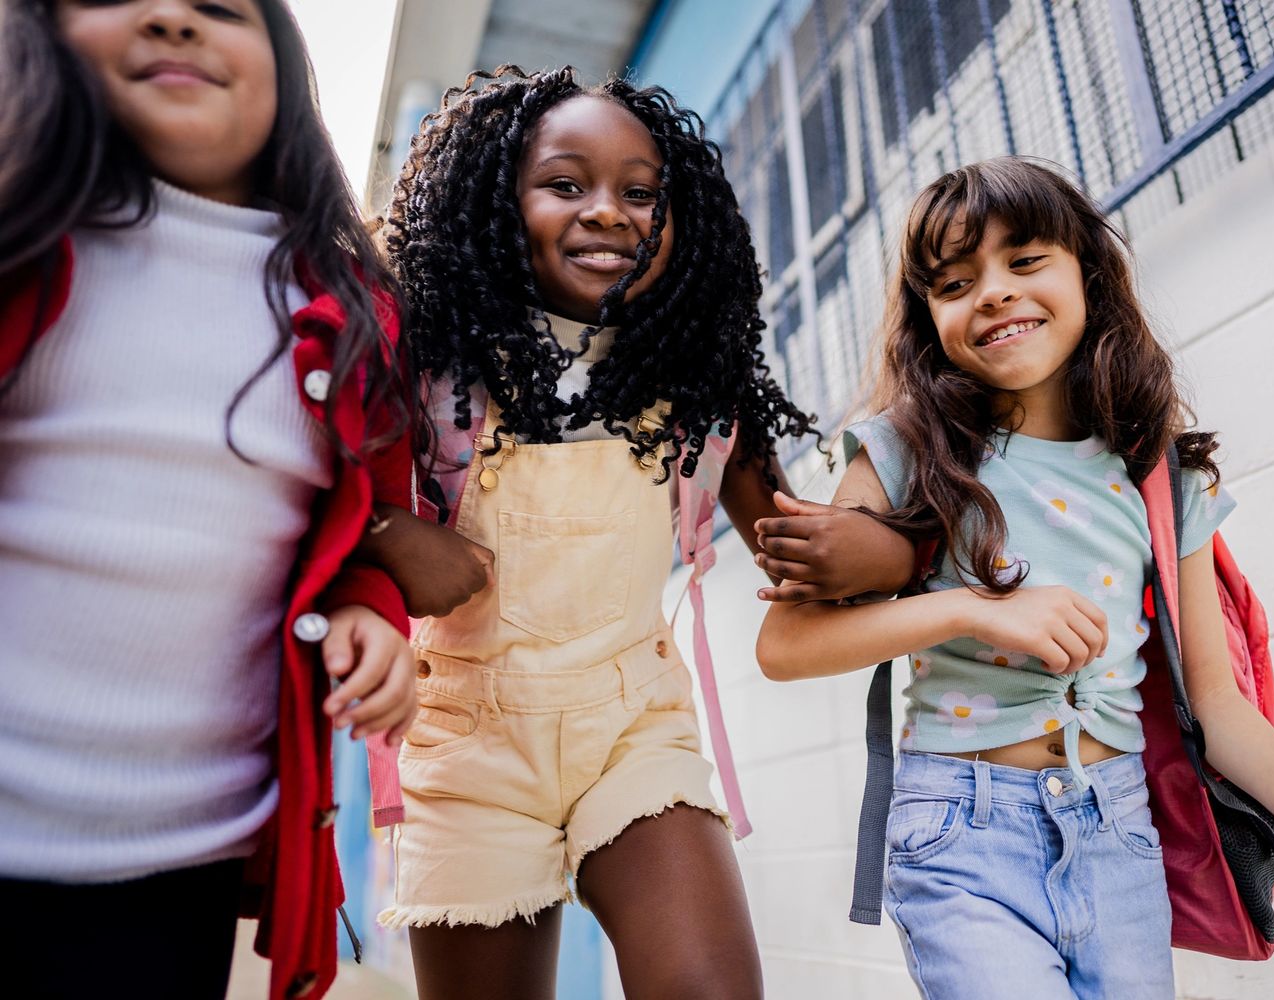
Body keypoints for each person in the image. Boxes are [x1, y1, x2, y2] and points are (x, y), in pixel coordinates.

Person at [755, 157, 1274, 999]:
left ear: (1087, 274)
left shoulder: (1160, 473)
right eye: (954, 282)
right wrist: (974, 610)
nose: (991, 292)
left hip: (1119, 833)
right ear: (928, 316)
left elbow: (1216, 700)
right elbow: (785, 644)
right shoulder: (903, 448)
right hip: (962, 833)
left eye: (1024, 262)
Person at [369, 66, 916, 999]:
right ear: (495, 205)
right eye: (564, 185)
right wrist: (386, 536)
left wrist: (886, 551)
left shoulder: (695, 382)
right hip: (467, 741)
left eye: (639, 193)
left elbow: (806, 550)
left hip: (633, 724)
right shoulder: (431, 373)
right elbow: (313, 497)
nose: (609, 213)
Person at [0, 2, 477, 997]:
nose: (174, 19)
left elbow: (357, 531)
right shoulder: (22, 238)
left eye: (220, 9)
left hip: (179, 866)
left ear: (285, 84)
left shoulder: (351, 305)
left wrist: (370, 612)